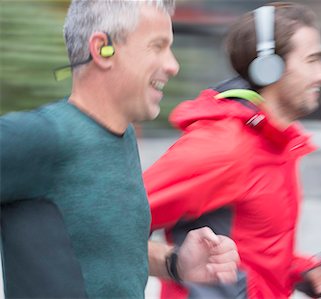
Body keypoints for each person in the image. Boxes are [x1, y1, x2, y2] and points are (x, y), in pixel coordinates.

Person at [0, 1, 239, 298]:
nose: (173, 65)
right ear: (103, 49)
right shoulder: (43, 135)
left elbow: (107, 248)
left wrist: (175, 263)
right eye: (157, 46)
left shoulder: (122, 135)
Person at [143, 2, 321, 299]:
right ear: (270, 68)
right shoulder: (224, 146)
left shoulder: (277, 144)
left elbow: (255, 250)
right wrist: (175, 264)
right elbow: (115, 222)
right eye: (312, 60)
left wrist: (302, 271)